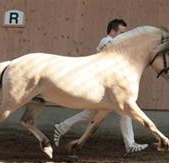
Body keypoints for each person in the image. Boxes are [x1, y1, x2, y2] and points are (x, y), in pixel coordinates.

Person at [53, 19, 148, 153]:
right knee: (118, 113)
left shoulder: (115, 43)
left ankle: (62, 127)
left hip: (109, 86)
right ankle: (130, 144)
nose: (124, 35)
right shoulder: (106, 41)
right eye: (121, 32)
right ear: (112, 31)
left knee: (97, 113)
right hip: (102, 86)